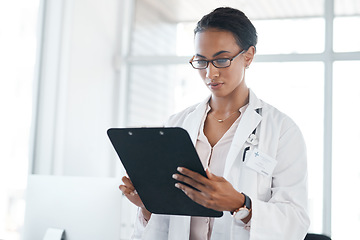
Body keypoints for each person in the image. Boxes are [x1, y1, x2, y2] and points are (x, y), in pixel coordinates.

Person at [119, 7, 310, 240]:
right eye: (201, 61)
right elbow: (166, 224)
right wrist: (148, 205)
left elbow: (296, 221)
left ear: (248, 56)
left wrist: (241, 205)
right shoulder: (177, 124)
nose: (210, 73)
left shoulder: (281, 131)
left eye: (221, 60)